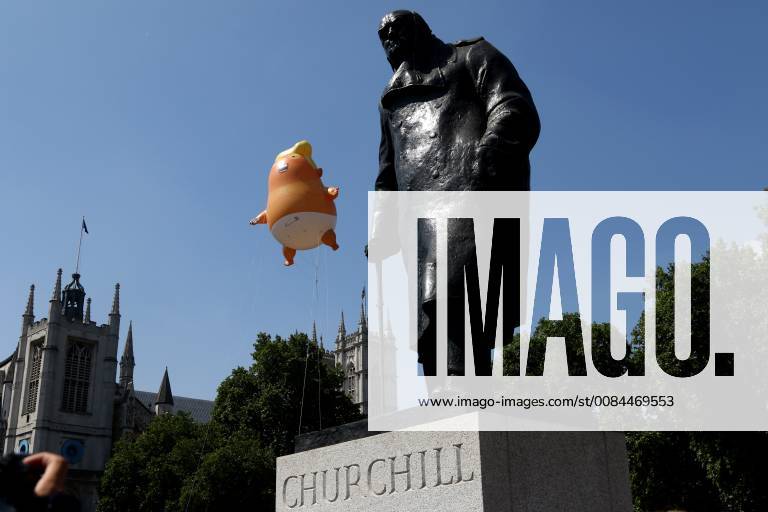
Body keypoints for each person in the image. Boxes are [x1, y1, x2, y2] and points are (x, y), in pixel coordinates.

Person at [375, 10, 540, 375]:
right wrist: (382, 223)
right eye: (382, 35)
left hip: (468, 191)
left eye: (396, 30)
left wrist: (491, 148)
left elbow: (512, 104)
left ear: (420, 30)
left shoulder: (472, 55)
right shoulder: (389, 101)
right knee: (429, 317)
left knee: (454, 297)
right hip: (417, 218)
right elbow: (388, 170)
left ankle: (463, 397)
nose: (388, 38)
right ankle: (447, 407)